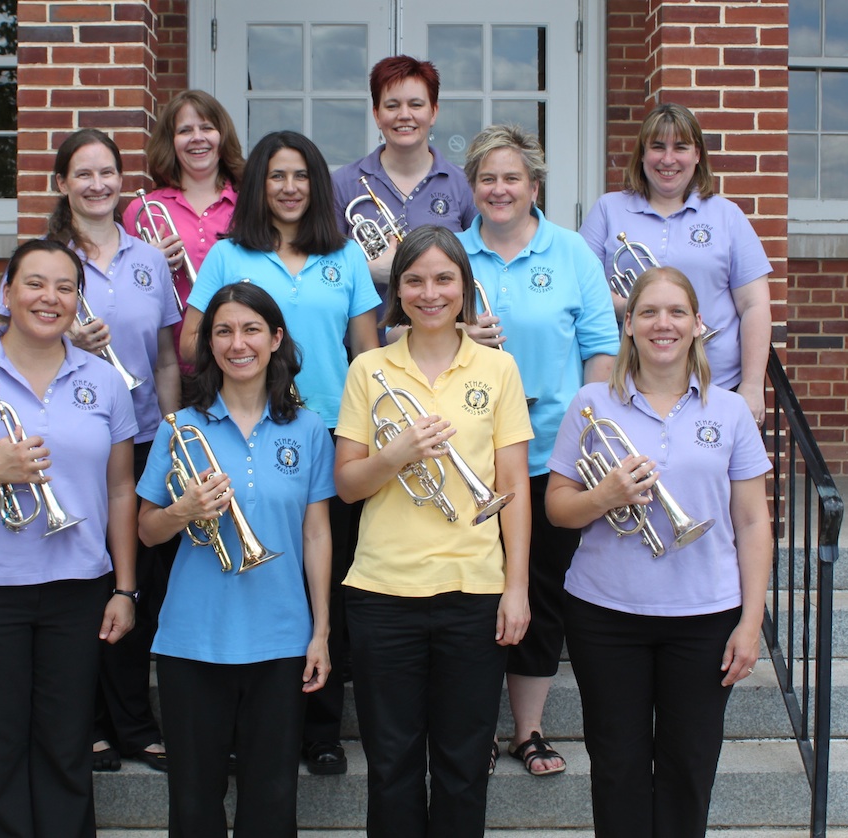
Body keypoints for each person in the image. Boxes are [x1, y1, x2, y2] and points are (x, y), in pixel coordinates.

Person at [0, 239, 139, 837]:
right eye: (35, 283)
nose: (49, 298)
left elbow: (120, 491)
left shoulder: (104, 380)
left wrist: (125, 589)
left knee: (67, 748)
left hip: (78, 589)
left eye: (65, 287)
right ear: (7, 292)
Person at [545, 266, 772, 838]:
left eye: (676, 312)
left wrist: (750, 624)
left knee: (688, 769)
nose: (661, 324)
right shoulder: (592, 403)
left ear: (698, 324)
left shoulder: (729, 411)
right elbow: (557, 509)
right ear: (629, 324)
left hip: (705, 617)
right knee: (616, 768)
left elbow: (752, 522)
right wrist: (605, 496)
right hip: (604, 615)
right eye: (647, 312)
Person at [181, 129, 381, 774]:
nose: (289, 188)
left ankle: (319, 729)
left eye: (300, 176)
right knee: (253, 571)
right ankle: (246, 724)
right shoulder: (227, 254)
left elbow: (367, 352)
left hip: (331, 432)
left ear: (316, 184)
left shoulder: (345, 255)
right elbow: (191, 342)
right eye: (276, 176)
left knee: (329, 577)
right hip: (246, 429)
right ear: (258, 186)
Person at [0, 128, 181, 772]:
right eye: (84, 173)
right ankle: (90, 724)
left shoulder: (148, 258)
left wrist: (174, 431)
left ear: (122, 181)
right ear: (61, 183)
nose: (98, 185)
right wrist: (69, 339)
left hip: (143, 437)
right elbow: (3, 346)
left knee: (135, 585)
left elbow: (165, 358)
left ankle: (133, 722)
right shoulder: (44, 261)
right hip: (67, 442)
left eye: (107, 173)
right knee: (81, 584)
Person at [334, 225, 533, 837]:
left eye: (444, 279)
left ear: (464, 288)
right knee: (391, 765)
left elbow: (514, 487)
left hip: (474, 590)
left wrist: (517, 588)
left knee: (463, 764)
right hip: (382, 591)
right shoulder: (369, 369)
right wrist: (398, 454)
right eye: (415, 280)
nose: (430, 293)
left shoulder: (498, 368)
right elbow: (348, 485)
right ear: (397, 291)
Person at [137, 282, 335, 838]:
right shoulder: (180, 427)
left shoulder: (308, 429)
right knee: (194, 803)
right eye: (223, 331)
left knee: (272, 801)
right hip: (193, 639)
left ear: (275, 338)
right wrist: (184, 510)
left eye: (251, 329)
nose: (237, 343)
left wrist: (321, 632)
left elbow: (317, 534)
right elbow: (146, 531)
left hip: (281, 638)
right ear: (209, 344)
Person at [458, 124, 620, 776]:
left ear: (534, 185)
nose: (499, 189)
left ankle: (527, 731)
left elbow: (601, 349)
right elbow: (407, 335)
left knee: (542, 592)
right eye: (487, 179)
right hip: (469, 457)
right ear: (472, 186)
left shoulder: (572, 252)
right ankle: (471, 729)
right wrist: (461, 334)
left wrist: (588, 436)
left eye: (512, 178)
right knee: (473, 594)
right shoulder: (452, 252)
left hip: (552, 454)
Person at [579, 102, 772, 425]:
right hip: (629, 389)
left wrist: (752, 386)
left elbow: (755, 305)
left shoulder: (727, 216)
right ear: (642, 154)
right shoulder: (608, 210)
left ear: (697, 155)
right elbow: (582, 289)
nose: (668, 159)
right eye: (657, 147)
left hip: (715, 387)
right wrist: (637, 309)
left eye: (680, 147)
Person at [122, 90, 245, 371]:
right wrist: (147, 265)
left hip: (237, 356)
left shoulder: (249, 205)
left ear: (222, 136)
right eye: (185, 130)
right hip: (166, 360)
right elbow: (124, 290)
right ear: (171, 142)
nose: (197, 138)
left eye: (207, 128)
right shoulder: (143, 211)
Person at [332, 55, 478, 285]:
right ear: (376, 114)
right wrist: (368, 272)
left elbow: (480, 265)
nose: (404, 115)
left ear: (434, 112)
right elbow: (324, 271)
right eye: (392, 106)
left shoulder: (464, 185)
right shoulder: (342, 184)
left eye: (416, 104)